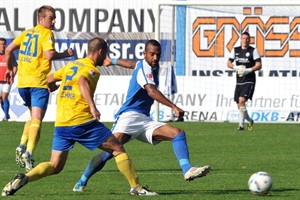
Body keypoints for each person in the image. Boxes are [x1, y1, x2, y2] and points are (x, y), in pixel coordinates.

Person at [2, 37, 157, 197]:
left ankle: (25, 178)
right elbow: (82, 81)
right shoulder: (92, 70)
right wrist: (92, 106)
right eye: (105, 54)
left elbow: (49, 80)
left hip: (62, 122)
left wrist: (54, 87)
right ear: (100, 52)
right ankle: (137, 188)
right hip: (82, 120)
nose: (105, 58)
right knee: (117, 148)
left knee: (55, 165)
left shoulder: (71, 65)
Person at [73, 39, 211, 193]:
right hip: (128, 117)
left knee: (178, 134)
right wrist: (173, 106)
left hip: (144, 120)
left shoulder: (146, 64)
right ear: (144, 53)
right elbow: (151, 91)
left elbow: (133, 64)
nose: (155, 58)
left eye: (158, 55)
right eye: (152, 54)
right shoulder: (145, 67)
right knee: (109, 152)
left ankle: (187, 169)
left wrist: (113, 61)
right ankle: (81, 181)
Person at [5, 5, 74, 172]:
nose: (54, 21)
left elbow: (8, 50)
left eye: (54, 17)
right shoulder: (46, 33)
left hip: (23, 83)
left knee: (32, 117)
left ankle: (22, 145)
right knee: (37, 120)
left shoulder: (27, 33)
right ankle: (28, 153)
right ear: (41, 19)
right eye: (51, 18)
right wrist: (66, 54)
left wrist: (9, 68)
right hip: (38, 82)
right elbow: (49, 54)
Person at [227, 32, 262, 131]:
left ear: (249, 40)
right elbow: (228, 63)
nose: (245, 40)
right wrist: (235, 67)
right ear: (241, 39)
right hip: (239, 81)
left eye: (247, 38)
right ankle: (250, 121)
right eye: (243, 38)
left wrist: (248, 70)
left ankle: (241, 126)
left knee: (242, 101)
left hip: (249, 80)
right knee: (239, 105)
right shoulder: (235, 50)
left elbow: (259, 65)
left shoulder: (253, 50)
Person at [0, 38, 17, 121]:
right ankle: (7, 114)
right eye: (0, 44)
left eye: (3, 44)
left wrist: (12, 76)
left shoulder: (9, 55)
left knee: (4, 97)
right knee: (1, 99)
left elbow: (15, 66)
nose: (2, 46)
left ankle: (6, 116)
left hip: (6, 80)